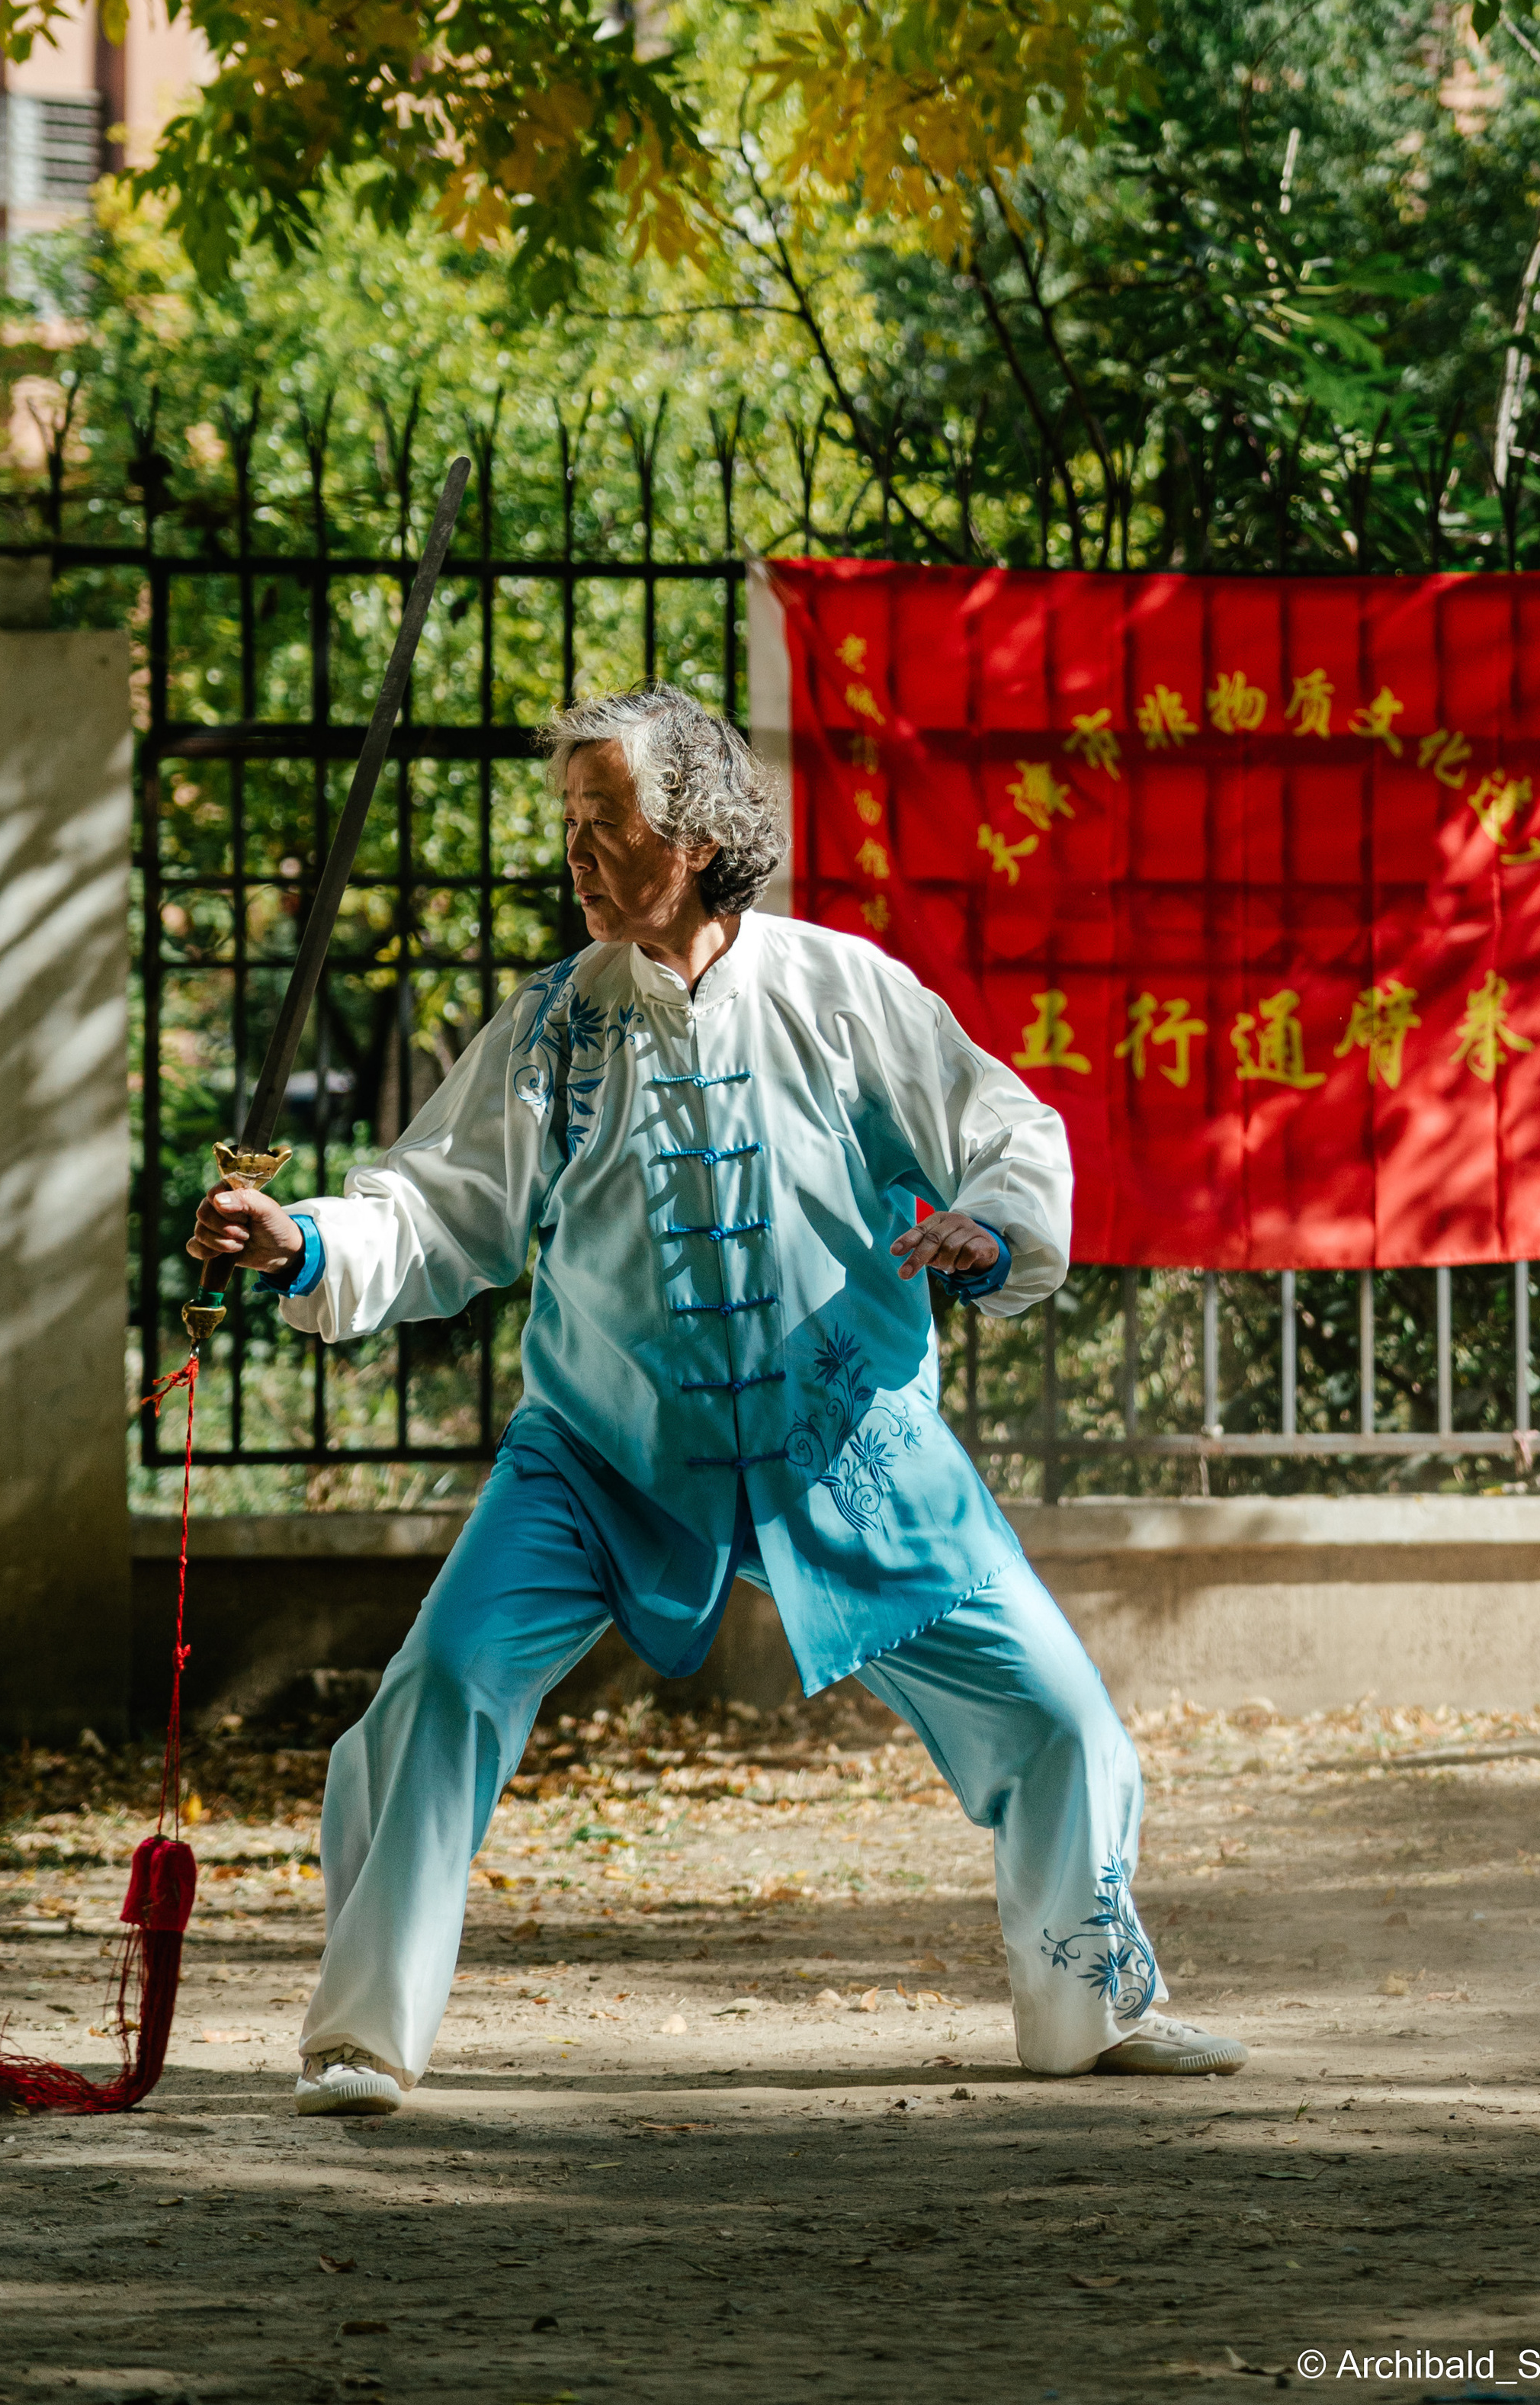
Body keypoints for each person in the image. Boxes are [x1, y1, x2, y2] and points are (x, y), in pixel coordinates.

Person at [190, 686, 1246, 2114]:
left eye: (605, 820)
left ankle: (1097, 2006)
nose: (577, 852)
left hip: (849, 1440)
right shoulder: (557, 1026)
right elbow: (441, 1207)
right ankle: (361, 2036)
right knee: (436, 1687)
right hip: (601, 1455)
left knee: (1060, 1717)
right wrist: (306, 1235)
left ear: (692, 836)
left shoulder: (841, 993)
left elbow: (1008, 1130)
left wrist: (987, 1229)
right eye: (568, 822)